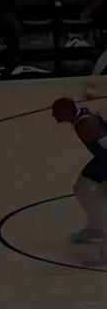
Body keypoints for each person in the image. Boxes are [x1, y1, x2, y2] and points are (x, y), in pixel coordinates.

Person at [51, 98, 107, 266]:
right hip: (103, 158)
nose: (52, 114)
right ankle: (95, 228)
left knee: (97, 200)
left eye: (55, 111)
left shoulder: (85, 125)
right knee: (82, 188)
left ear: (65, 110)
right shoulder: (82, 115)